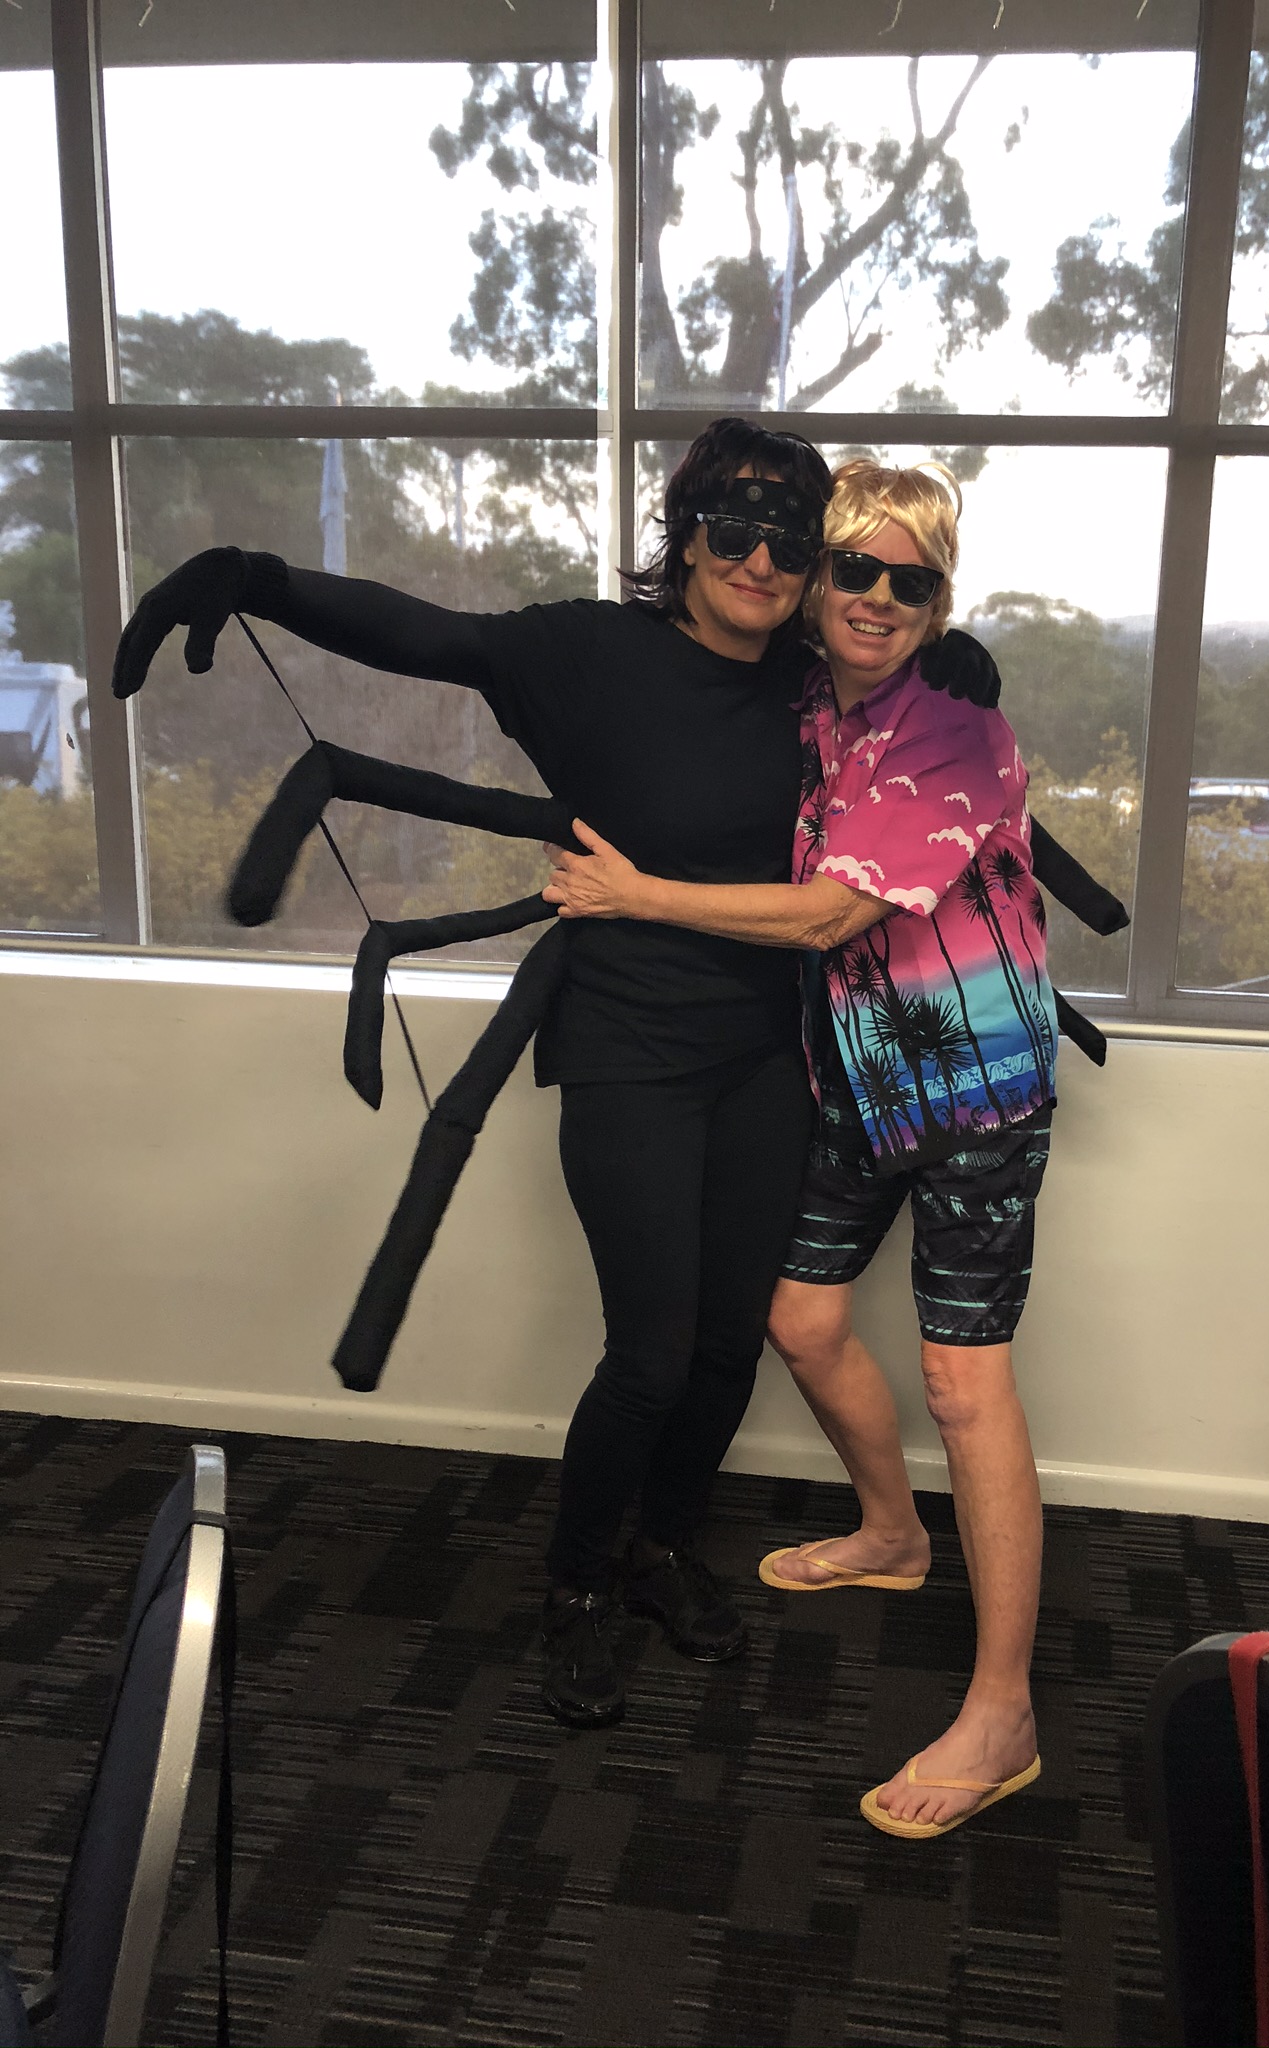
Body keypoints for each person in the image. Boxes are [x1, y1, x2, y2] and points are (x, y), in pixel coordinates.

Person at [110, 421, 1004, 1732]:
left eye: (786, 541)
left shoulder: (813, 683)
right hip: (630, 1050)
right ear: (685, 537)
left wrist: (958, 670)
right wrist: (256, 577)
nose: (759, 562)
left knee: (726, 1347)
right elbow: (429, 636)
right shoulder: (589, 654)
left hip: (769, 1055)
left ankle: (660, 1548)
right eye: (732, 530)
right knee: (650, 1352)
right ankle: (579, 1585)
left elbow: (904, 703)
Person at [542, 459, 1060, 1834]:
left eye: (914, 581)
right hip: (854, 1083)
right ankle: (892, 1534)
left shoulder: (952, 728)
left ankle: (1004, 1709)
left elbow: (833, 915)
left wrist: (632, 895)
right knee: (800, 1319)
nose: (879, 598)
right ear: (818, 579)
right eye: (857, 570)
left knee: (964, 1385)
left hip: (975, 1096)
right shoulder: (811, 705)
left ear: (941, 601)